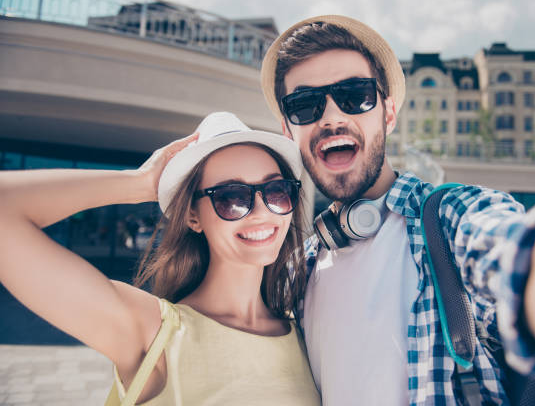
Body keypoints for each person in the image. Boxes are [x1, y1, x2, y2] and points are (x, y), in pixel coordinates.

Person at [259, 15, 535, 404]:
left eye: (355, 96)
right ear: (288, 131)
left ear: (388, 114)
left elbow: (513, 255)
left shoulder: (453, 217)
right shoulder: (299, 273)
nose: (331, 118)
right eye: (305, 105)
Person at [0, 112, 321, 405]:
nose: (263, 211)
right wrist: (139, 184)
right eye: (232, 197)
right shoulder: (152, 330)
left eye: (277, 191)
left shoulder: (309, 336)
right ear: (192, 216)